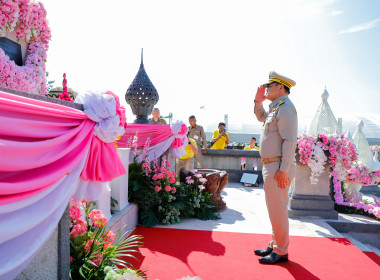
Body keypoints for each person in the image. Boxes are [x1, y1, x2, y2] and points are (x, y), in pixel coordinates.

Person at [253, 71, 298, 264]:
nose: (266, 89)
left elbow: (290, 141)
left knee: (278, 210)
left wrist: (283, 170)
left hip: (278, 165)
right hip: (272, 165)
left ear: (280, 87)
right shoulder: (276, 107)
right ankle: (275, 243)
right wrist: (258, 101)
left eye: (269, 86)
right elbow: (261, 116)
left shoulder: (286, 107)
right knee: (274, 208)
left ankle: (281, 251)